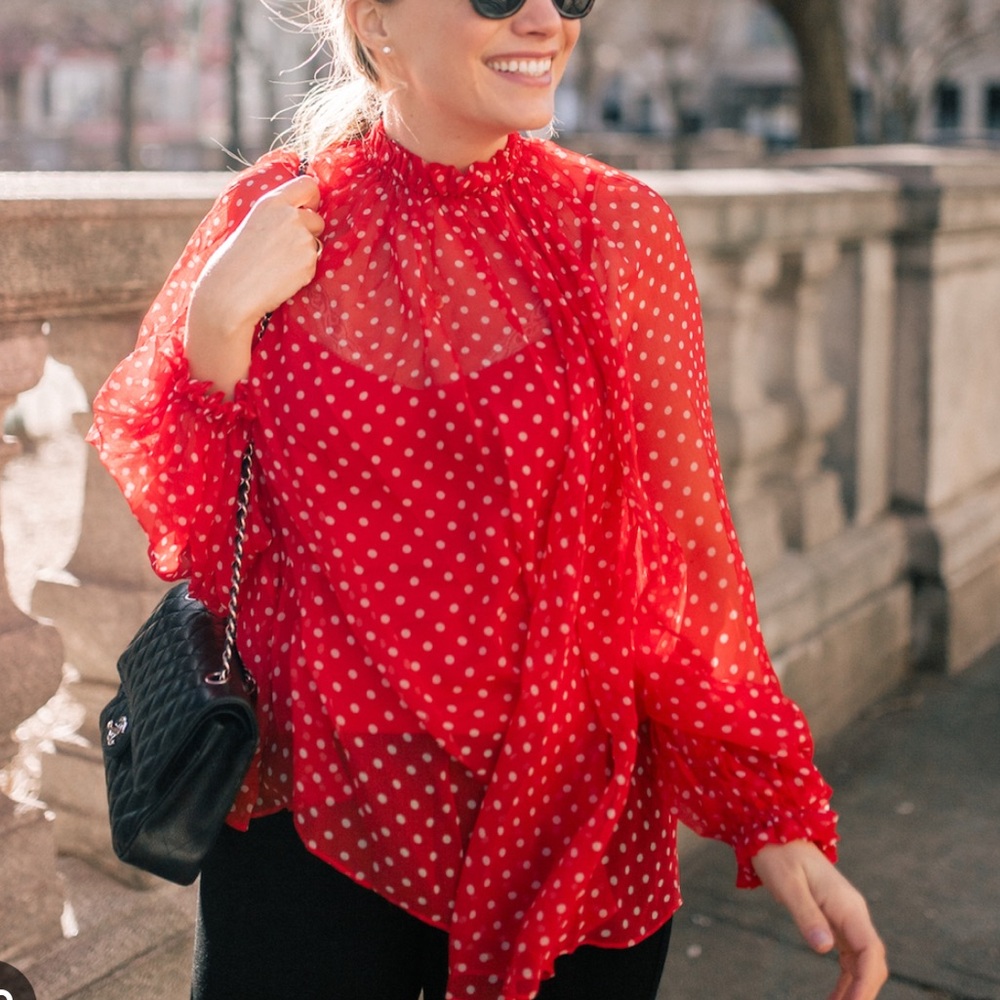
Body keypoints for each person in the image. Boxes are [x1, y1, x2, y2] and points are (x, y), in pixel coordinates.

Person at [88, 0, 889, 998]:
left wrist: (769, 814)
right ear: (376, 24)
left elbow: (682, 560)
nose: (546, 20)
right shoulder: (275, 214)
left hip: (568, 827)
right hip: (314, 816)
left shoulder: (617, 232)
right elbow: (200, 533)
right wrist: (215, 328)